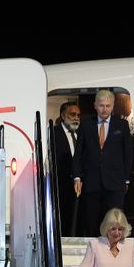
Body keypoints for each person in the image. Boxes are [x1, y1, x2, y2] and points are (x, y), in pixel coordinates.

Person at [71, 89, 134, 237]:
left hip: (115, 184)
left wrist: (126, 179)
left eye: (108, 105)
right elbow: (78, 154)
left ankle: (113, 254)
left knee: (114, 222)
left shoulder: (122, 125)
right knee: (91, 222)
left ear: (113, 106)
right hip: (91, 182)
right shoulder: (86, 125)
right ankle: (94, 253)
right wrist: (77, 177)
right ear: (95, 105)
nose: (104, 109)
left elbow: (128, 154)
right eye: (101, 105)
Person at [52, 101, 80, 236]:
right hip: (61, 185)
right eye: (72, 114)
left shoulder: (81, 134)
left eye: (78, 115)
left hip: (79, 185)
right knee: (63, 220)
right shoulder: (53, 133)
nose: (76, 118)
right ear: (63, 116)